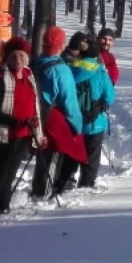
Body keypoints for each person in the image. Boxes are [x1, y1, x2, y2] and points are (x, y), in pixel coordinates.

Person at [0, 36, 45, 219]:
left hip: (23, 133)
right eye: (13, 55)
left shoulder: (28, 76)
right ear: (7, 57)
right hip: (2, 134)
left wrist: (38, 133)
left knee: (10, 173)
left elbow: (35, 107)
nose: (18, 59)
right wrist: (15, 121)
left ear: (27, 57)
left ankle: (4, 206)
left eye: (21, 55)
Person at [30, 26, 83, 199]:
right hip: (53, 116)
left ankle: (38, 190)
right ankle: (44, 194)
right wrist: (76, 125)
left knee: (41, 154)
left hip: (34, 115)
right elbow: (69, 100)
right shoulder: (61, 69)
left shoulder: (35, 63)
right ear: (60, 45)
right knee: (52, 154)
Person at [56, 41, 115, 191]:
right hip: (95, 123)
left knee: (70, 154)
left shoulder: (69, 69)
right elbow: (109, 96)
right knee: (91, 157)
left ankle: (63, 183)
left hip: (72, 121)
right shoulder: (100, 71)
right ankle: (86, 186)